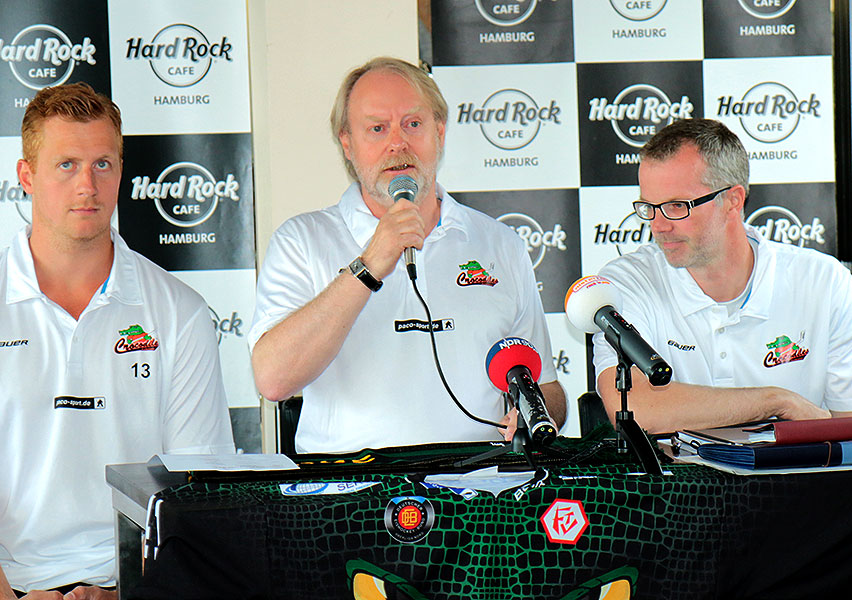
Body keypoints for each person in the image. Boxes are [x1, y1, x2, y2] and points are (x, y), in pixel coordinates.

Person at [0, 83, 235, 600]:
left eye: (103, 164)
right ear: (26, 176)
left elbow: (199, 497)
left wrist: (130, 595)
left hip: (133, 588)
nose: (88, 184)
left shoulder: (181, 313)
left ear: (121, 173)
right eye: (66, 165)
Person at [250, 57, 566, 453]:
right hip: (351, 496)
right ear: (347, 144)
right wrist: (370, 265)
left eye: (413, 124)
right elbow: (274, 380)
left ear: (439, 132)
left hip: (479, 494)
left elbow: (548, 390)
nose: (397, 142)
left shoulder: (500, 244)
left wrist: (536, 413)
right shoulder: (302, 240)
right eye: (377, 128)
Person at [592, 118, 852, 434]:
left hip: (797, 481)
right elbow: (634, 406)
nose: (658, 225)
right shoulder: (625, 283)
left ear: (733, 201)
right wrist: (776, 401)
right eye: (649, 206)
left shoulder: (825, 283)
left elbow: (846, 424)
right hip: (682, 484)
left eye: (676, 206)